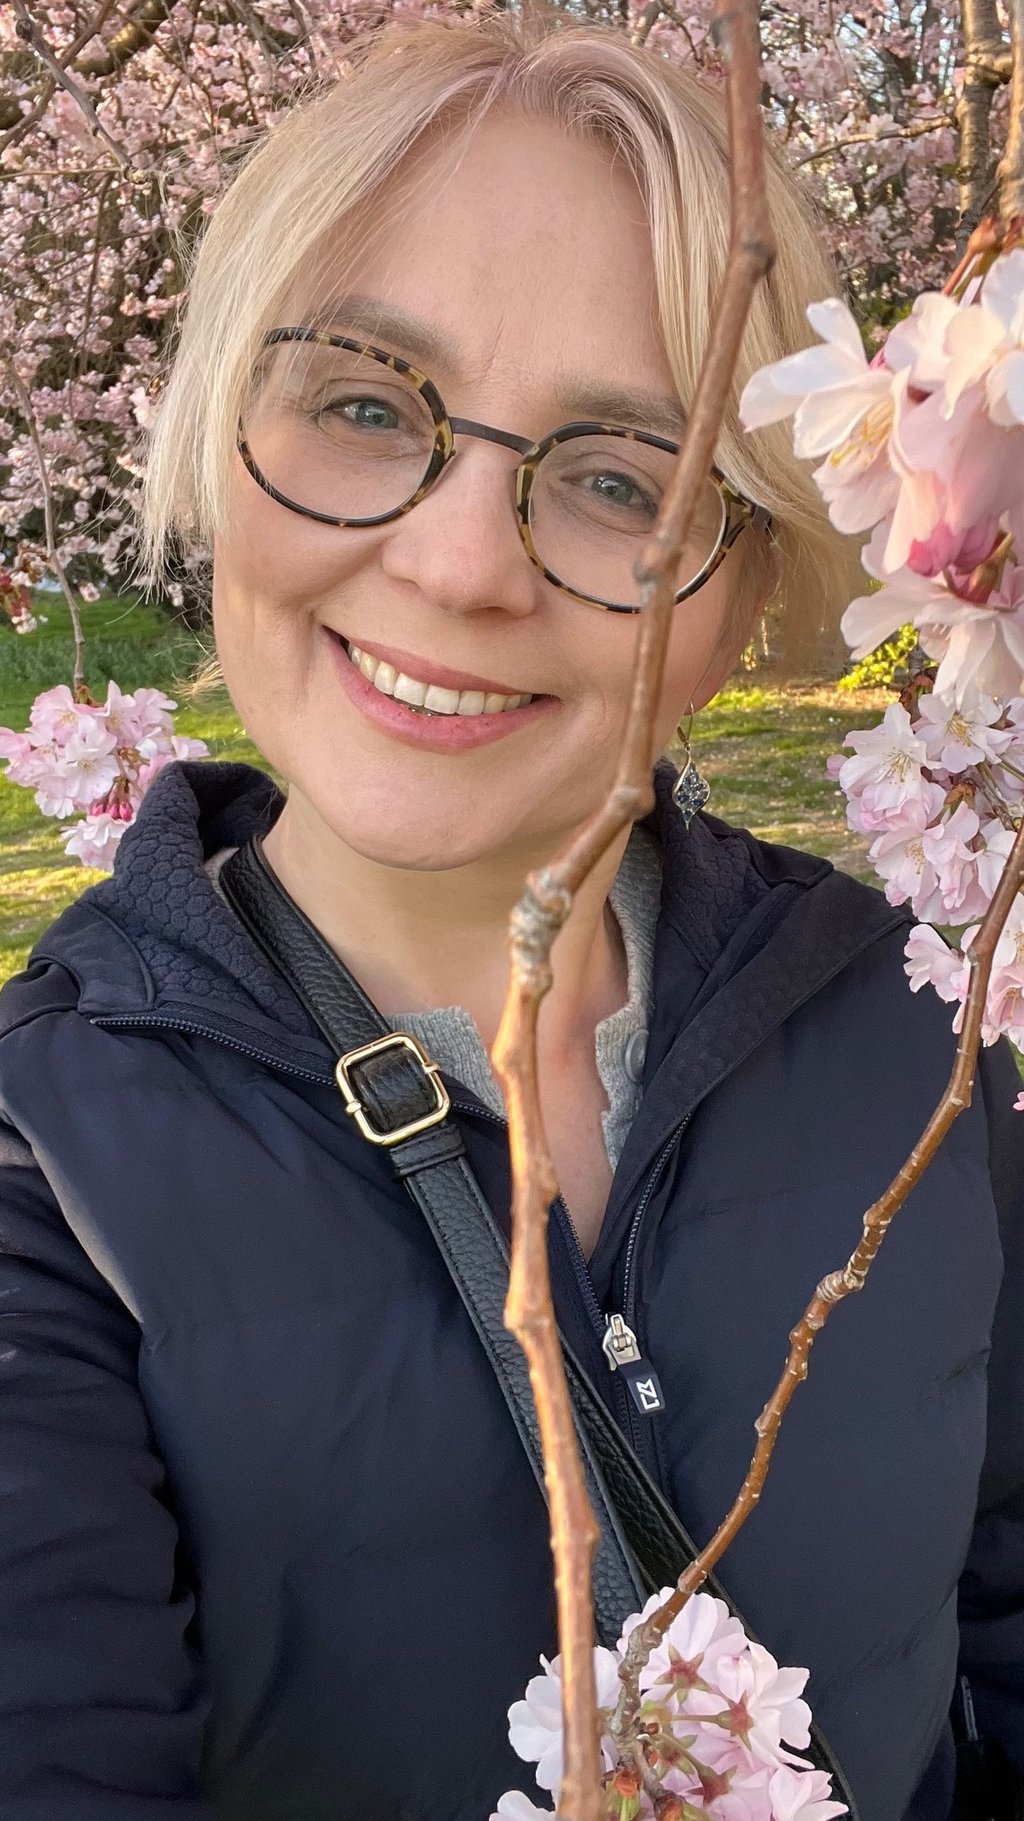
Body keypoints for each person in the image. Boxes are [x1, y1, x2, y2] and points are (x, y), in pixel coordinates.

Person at [0, 8, 1021, 1819]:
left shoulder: (926, 1031)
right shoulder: (44, 1164)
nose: (461, 564)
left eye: (624, 479)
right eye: (365, 403)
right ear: (220, 427)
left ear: (749, 590)